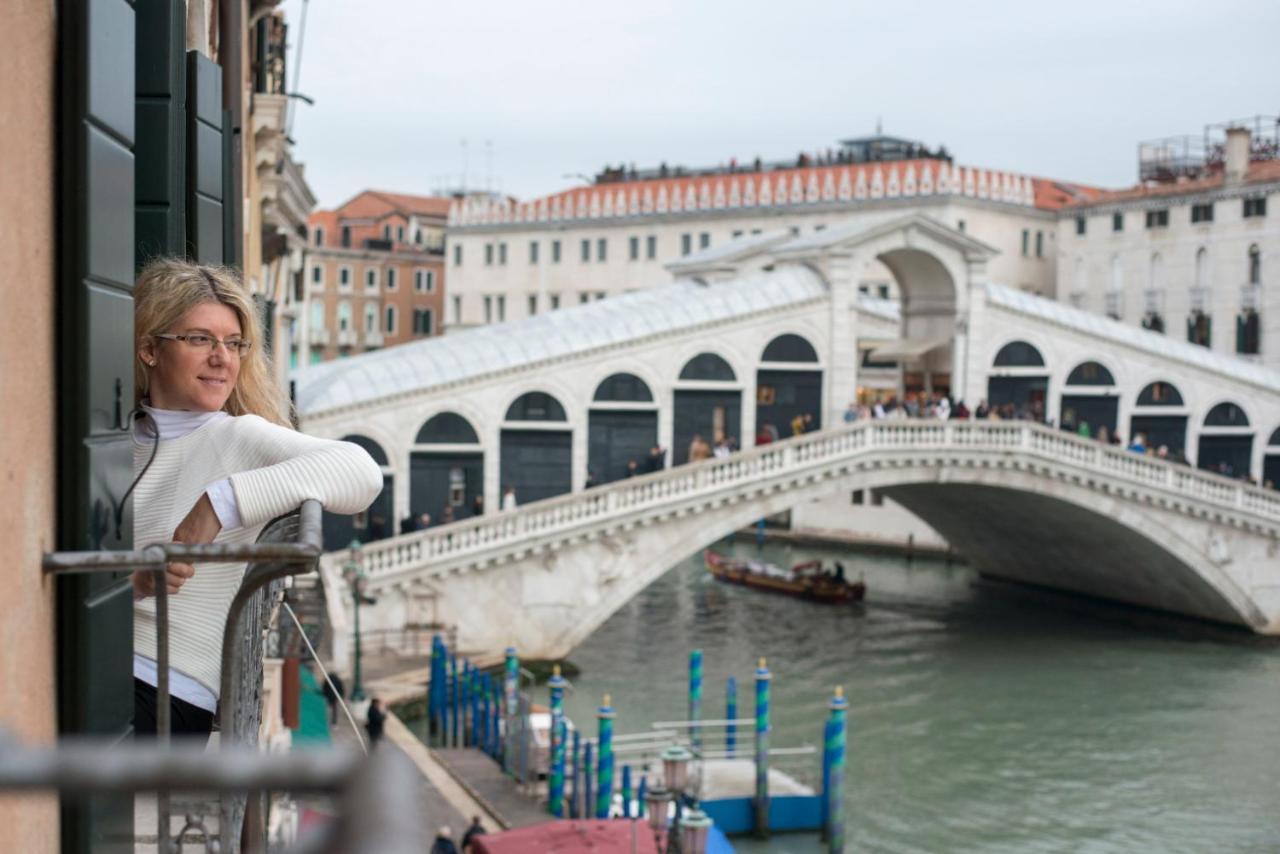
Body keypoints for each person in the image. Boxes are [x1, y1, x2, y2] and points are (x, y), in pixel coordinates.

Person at [129, 259, 382, 739]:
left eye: (234, 343)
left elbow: (361, 473)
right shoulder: (110, 440)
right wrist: (137, 582)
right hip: (91, 663)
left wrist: (219, 502)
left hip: (167, 687)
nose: (222, 358)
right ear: (149, 349)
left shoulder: (242, 437)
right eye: (201, 339)